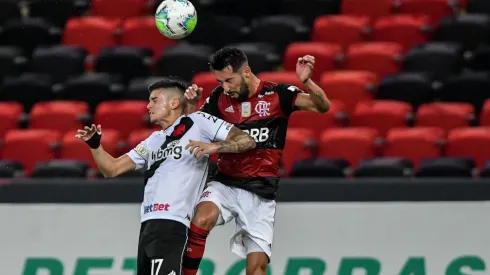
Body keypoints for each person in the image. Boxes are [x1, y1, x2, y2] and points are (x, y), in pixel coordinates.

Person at [75, 78, 256, 275]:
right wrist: (95, 145)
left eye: (154, 100)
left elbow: (246, 140)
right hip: (148, 227)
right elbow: (112, 169)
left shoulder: (199, 122)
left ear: (174, 103)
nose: (148, 105)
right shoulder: (154, 140)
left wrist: (215, 147)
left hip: (174, 224)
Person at [182, 48, 331, 275]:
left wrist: (307, 82)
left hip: (261, 192)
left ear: (247, 72)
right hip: (225, 183)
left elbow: (323, 107)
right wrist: (192, 108)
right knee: (202, 218)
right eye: (220, 81)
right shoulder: (219, 98)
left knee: (256, 269)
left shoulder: (278, 94)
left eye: (230, 80)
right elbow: (194, 132)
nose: (226, 87)